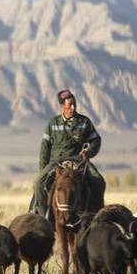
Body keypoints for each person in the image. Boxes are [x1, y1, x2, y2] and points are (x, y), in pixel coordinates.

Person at [28, 88, 105, 218]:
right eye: (70, 105)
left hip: (79, 161)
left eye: (74, 104)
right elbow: (44, 148)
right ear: (62, 106)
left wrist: (89, 152)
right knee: (38, 183)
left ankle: (97, 216)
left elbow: (96, 140)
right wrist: (42, 170)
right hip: (56, 162)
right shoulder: (53, 123)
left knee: (99, 181)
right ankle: (42, 215)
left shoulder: (84, 122)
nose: (73, 107)